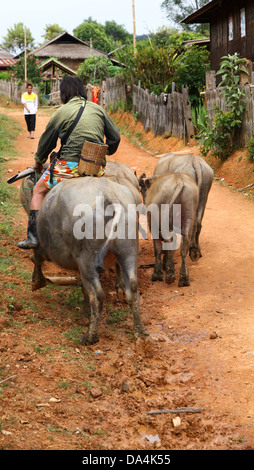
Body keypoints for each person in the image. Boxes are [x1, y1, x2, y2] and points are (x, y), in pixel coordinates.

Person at [18, 75, 121, 250]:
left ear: (64, 93)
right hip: (95, 167)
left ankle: (33, 237)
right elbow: (115, 137)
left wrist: (38, 161)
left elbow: (47, 141)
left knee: (37, 190)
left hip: (69, 166)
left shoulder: (61, 112)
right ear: (81, 91)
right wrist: (106, 152)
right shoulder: (98, 109)